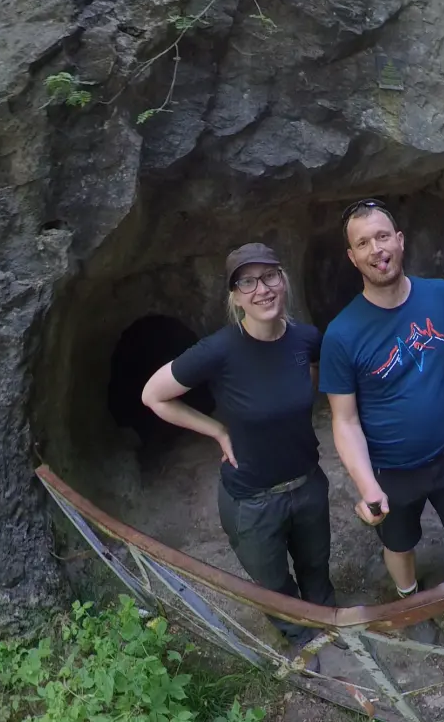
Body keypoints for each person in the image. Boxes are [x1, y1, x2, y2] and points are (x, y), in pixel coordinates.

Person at [141, 245, 335, 659]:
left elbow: (315, 374)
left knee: (316, 566)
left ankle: (329, 624)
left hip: (307, 482)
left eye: (269, 276)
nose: (261, 289)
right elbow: (153, 395)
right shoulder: (220, 349)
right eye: (247, 281)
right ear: (234, 295)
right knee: (273, 582)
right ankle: (300, 639)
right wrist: (216, 430)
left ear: (283, 280)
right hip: (253, 497)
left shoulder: (306, 338)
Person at [319, 199, 444, 635]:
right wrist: (368, 486)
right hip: (391, 468)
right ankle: (411, 603)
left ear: (399, 241)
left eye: (383, 236)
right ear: (352, 257)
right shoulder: (341, 334)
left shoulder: (438, 294)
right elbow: (343, 421)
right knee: (399, 547)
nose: (376, 249)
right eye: (363, 243)